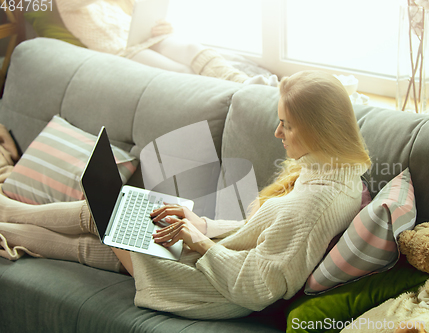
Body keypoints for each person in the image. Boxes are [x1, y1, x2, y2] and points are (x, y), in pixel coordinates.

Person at [0, 70, 371, 319]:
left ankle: (6, 208)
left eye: (286, 125)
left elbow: (258, 286)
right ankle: (8, 220)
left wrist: (198, 242)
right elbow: (257, 236)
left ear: (318, 130)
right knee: (112, 226)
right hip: (211, 268)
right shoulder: (336, 171)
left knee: (103, 214)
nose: (277, 133)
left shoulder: (315, 204)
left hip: (209, 288)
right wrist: (202, 224)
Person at [55, 0, 278, 86]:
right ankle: (239, 93)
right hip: (121, 53)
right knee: (183, 71)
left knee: (194, 49)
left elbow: (139, 17)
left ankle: (247, 83)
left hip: (145, 38)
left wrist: (162, 26)